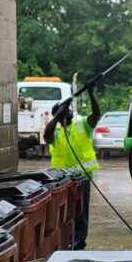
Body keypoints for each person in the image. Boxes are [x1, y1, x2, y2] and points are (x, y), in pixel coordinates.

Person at [43, 88, 101, 250]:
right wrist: (57, 116)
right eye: (64, 111)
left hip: (82, 178)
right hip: (62, 181)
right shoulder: (55, 132)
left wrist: (91, 94)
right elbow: (46, 136)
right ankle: (64, 242)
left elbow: (96, 114)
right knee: (63, 214)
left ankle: (78, 244)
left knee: (81, 213)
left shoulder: (82, 126)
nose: (68, 112)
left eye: (68, 110)